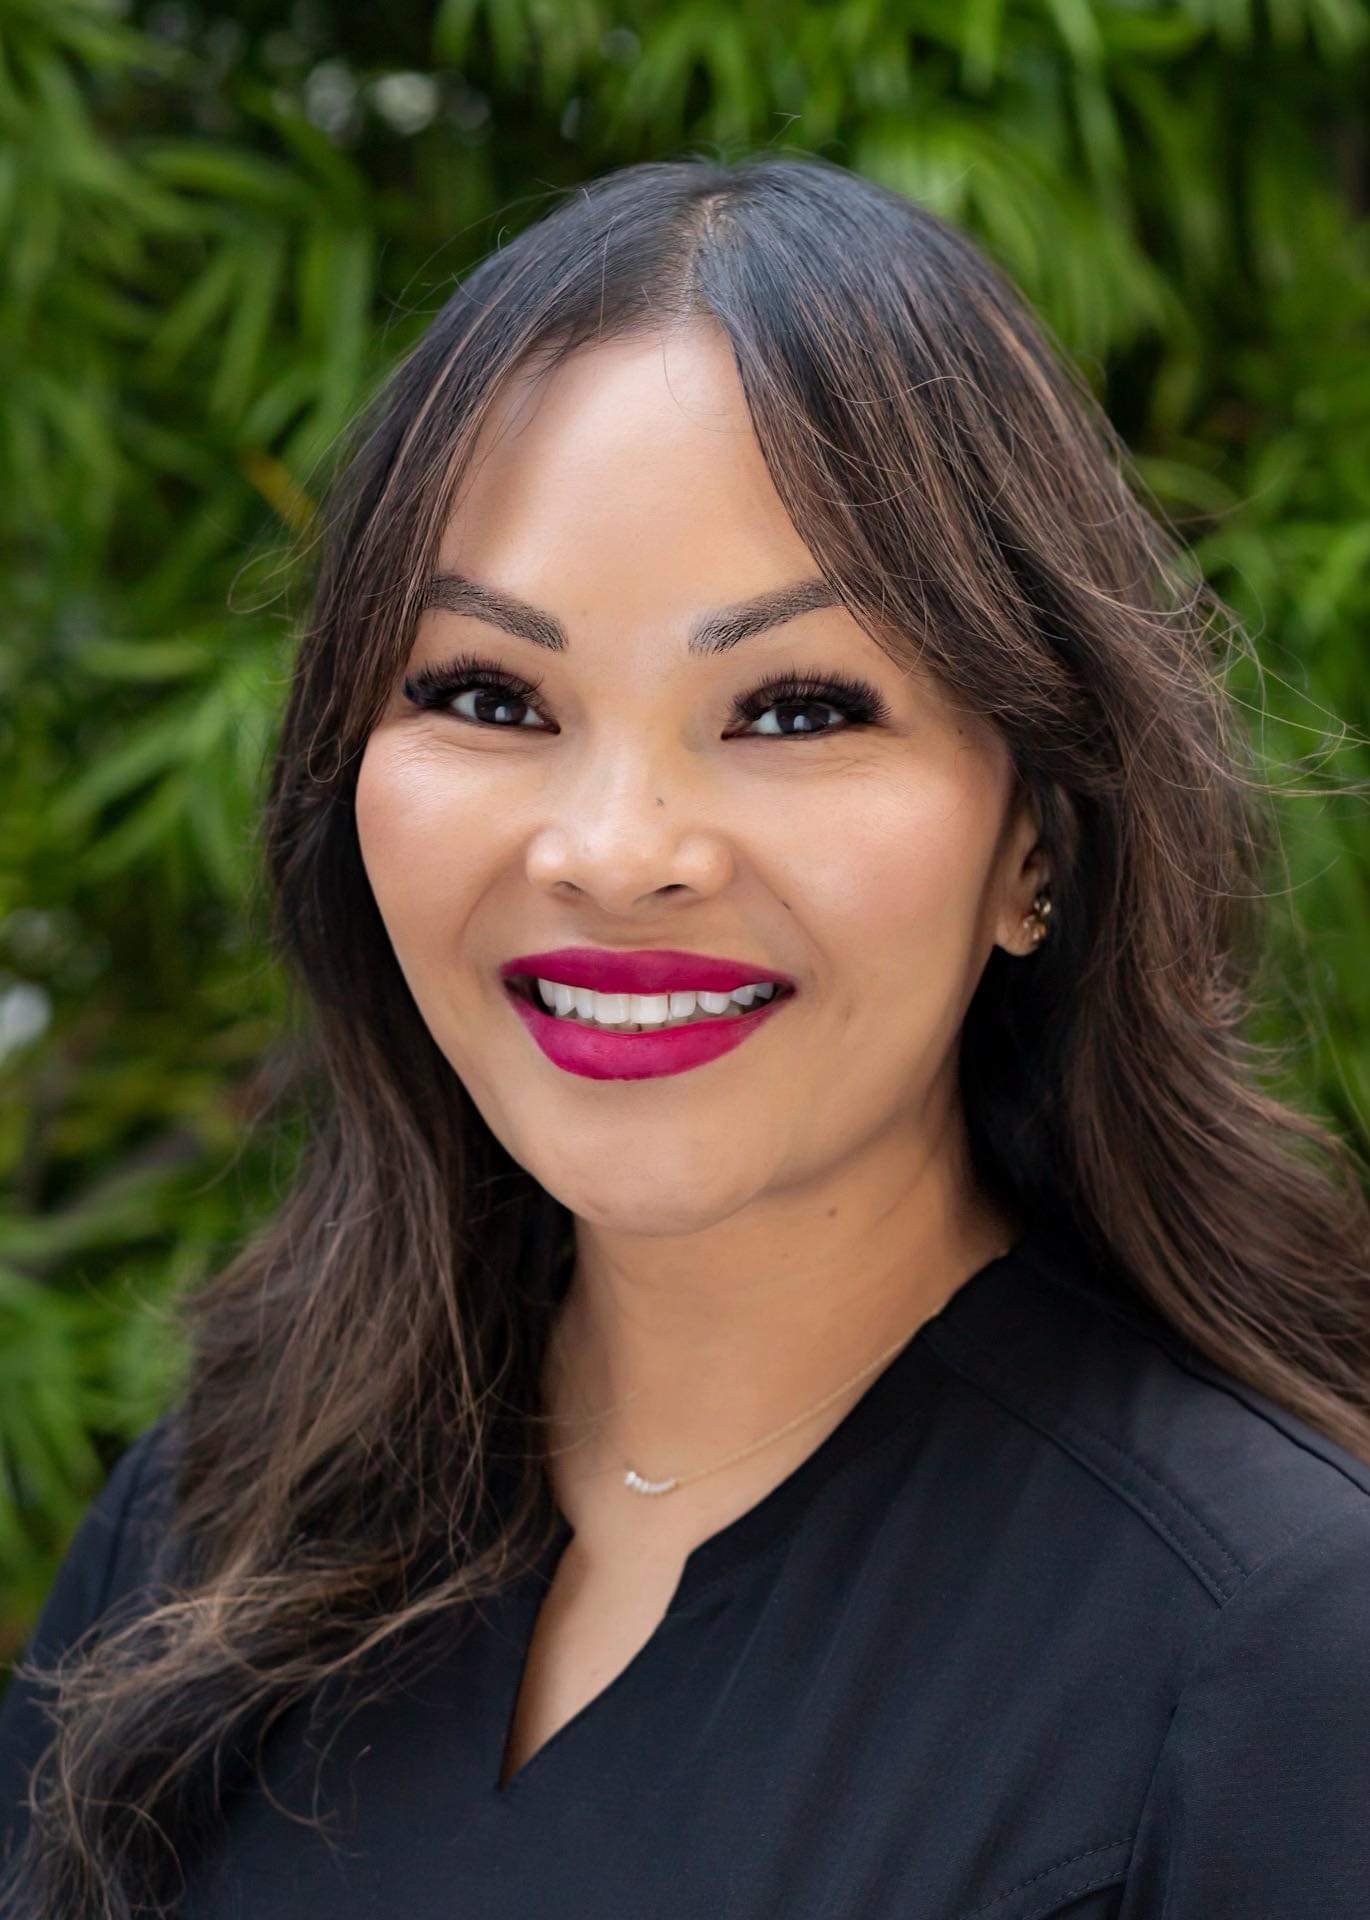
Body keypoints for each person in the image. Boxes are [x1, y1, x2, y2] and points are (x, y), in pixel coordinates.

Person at [2, 151, 1368, 1920]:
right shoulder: (223, 1514)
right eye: (489, 694)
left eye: (793, 709)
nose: (615, 851)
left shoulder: (1270, 1655)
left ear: (1036, 835)